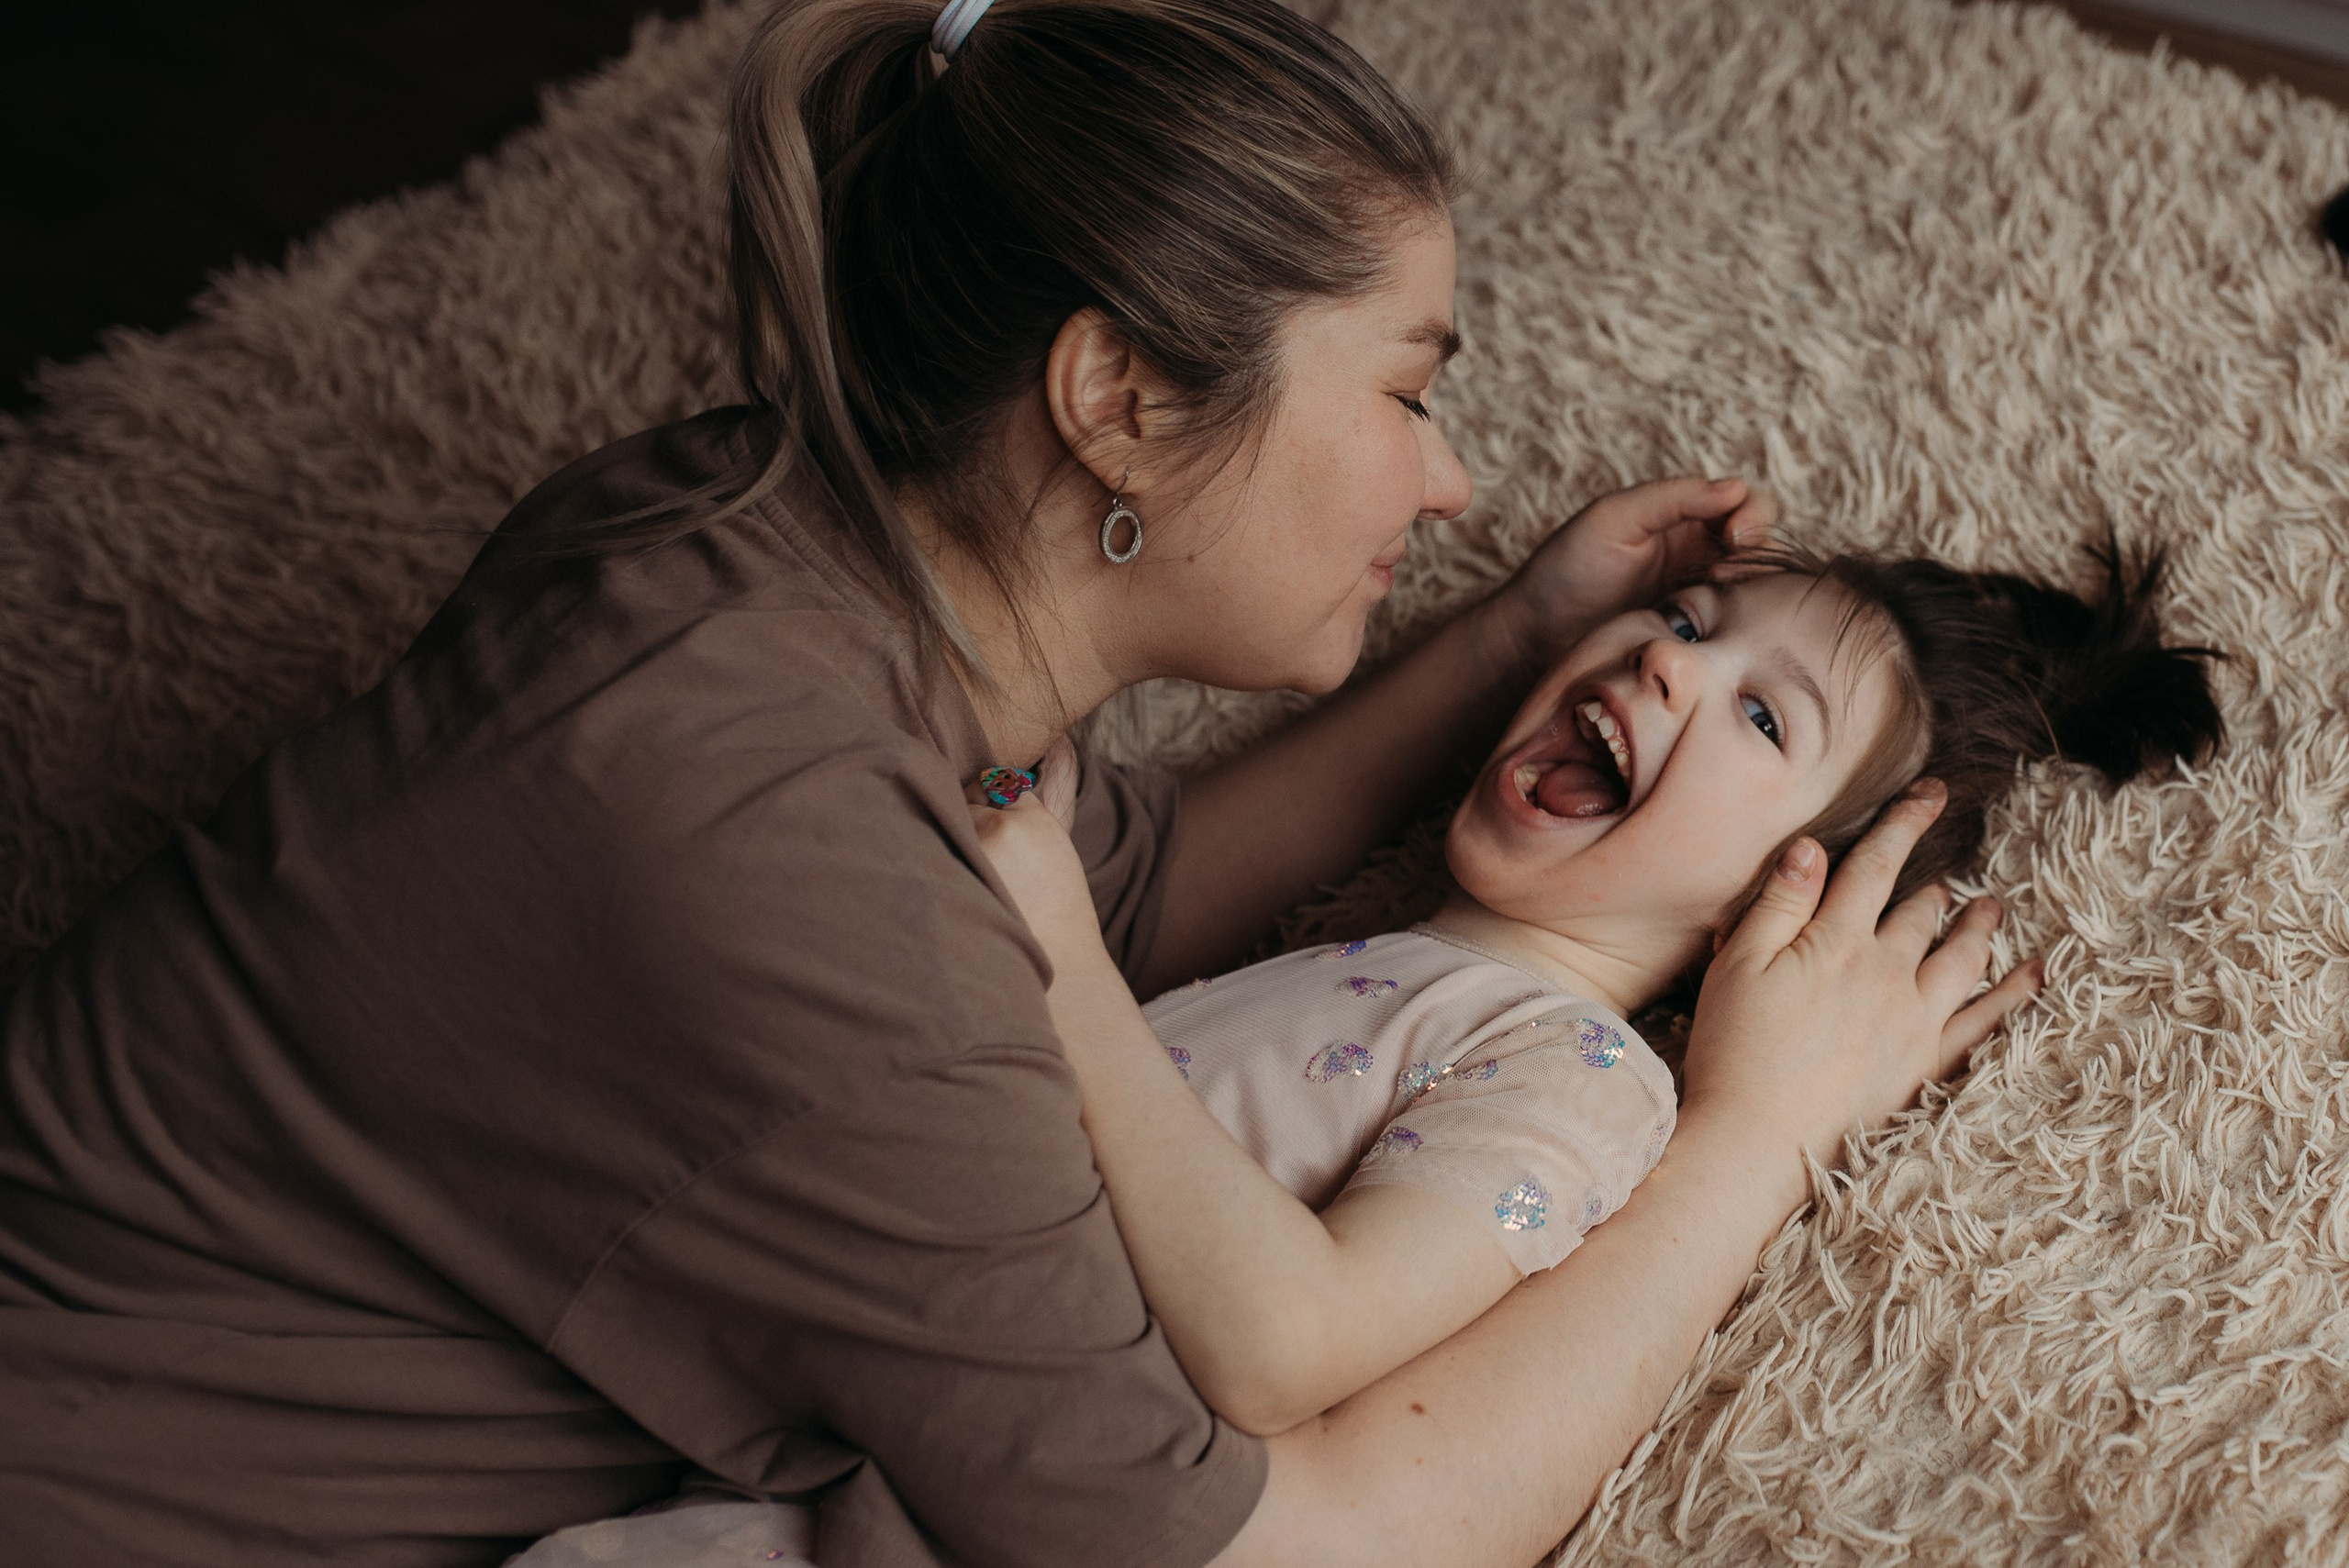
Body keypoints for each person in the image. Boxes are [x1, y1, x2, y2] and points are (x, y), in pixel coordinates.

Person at [0, 1, 2066, 1564]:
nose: (1444, 476)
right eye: (1410, 389)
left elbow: (1122, 879)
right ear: (1119, 400)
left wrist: (1509, 643)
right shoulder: (789, 879)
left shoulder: (736, 526)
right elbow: (1254, 1544)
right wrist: (1752, 1136)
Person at [971, 548, 2222, 1441]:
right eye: (1686, 617)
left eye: (1763, 716)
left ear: (1784, 901)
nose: (1671, 664)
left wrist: (1066, 968)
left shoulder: (1578, 1074)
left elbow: (1286, 1343)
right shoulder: (1380, 958)